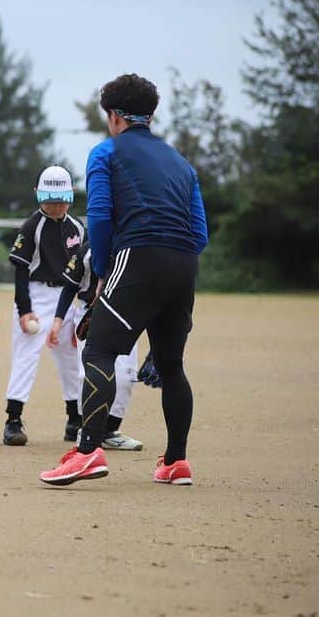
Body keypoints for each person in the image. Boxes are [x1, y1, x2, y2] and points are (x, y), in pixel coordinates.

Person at [40, 73, 208, 487]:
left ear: (114, 116)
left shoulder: (105, 153)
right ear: (148, 116)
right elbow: (200, 232)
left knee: (98, 350)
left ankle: (88, 452)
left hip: (137, 255)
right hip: (185, 263)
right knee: (171, 365)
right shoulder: (182, 163)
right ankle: (175, 462)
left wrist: (102, 272)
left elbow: (99, 217)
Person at [1, 166, 85, 446]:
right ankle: (13, 420)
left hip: (66, 299)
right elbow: (21, 271)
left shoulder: (77, 228)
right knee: (26, 356)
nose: (57, 205)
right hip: (35, 296)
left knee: (71, 359)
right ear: (38, 195)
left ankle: (75, 419)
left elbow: (82, 273)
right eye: (50, 199)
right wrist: (25, 310)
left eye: (61, 199)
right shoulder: (31, 226)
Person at [46, 243, 144, 451]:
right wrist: (58, 320)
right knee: (89, 373)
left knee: (126, 376)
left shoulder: (136, 244)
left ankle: (109, 431)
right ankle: (87, 428)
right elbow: (71, 286)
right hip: (91, 314)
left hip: (127, 313)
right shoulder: (89, 249)